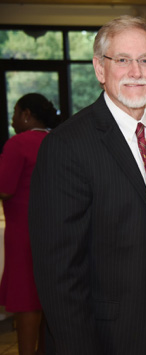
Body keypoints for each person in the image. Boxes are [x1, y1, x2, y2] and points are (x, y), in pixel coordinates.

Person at [28, 16, 146, 355]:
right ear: (100, 69)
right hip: (107, 336)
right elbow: (58, 274)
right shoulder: (67, 145)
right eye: (122, 60)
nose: (136, 71)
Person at [0, 93, 59, 355]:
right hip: (55, 234)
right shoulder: (57, 141)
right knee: (49, 300)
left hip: (23, 235)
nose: (12, 119)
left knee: (26, 303)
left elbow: (5, 188)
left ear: (26, 115)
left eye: (15, 112)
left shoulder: (18, 144)